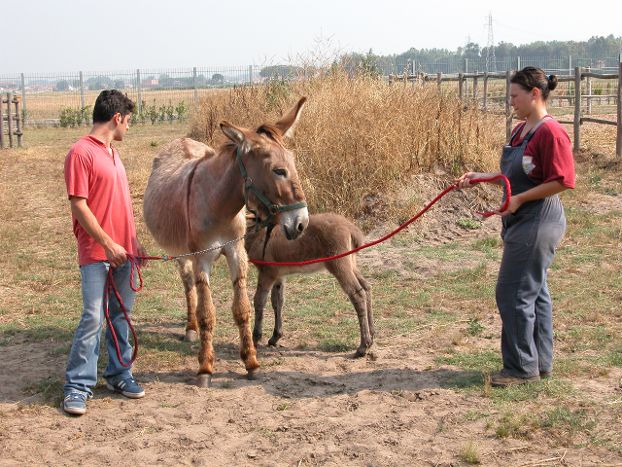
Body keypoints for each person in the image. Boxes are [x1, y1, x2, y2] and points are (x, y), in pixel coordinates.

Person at [456, 67, 575, 387]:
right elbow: (512, 177)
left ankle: (521, 369)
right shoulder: (520, 131)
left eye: (514, 96)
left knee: (512, 292)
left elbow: (563, 180)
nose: (510, 102)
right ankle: (539, 363)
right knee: (534, 293)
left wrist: (520, 200)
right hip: (522, 219)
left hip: (539, 219)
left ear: (534, 94)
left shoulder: (551, 132)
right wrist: (480, 178)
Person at [62, 90, 147, 415]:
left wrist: (131, 240)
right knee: (93, 316)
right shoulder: (80, 153)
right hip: (97, 251)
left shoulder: (113, 153)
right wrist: (108, 243)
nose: (129, 127)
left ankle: (119, 374)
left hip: (124, 251)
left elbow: (119, 203)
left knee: (120, 315)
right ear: (117, 118)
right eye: (128, 121)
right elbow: (79, 205)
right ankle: (77, 387)